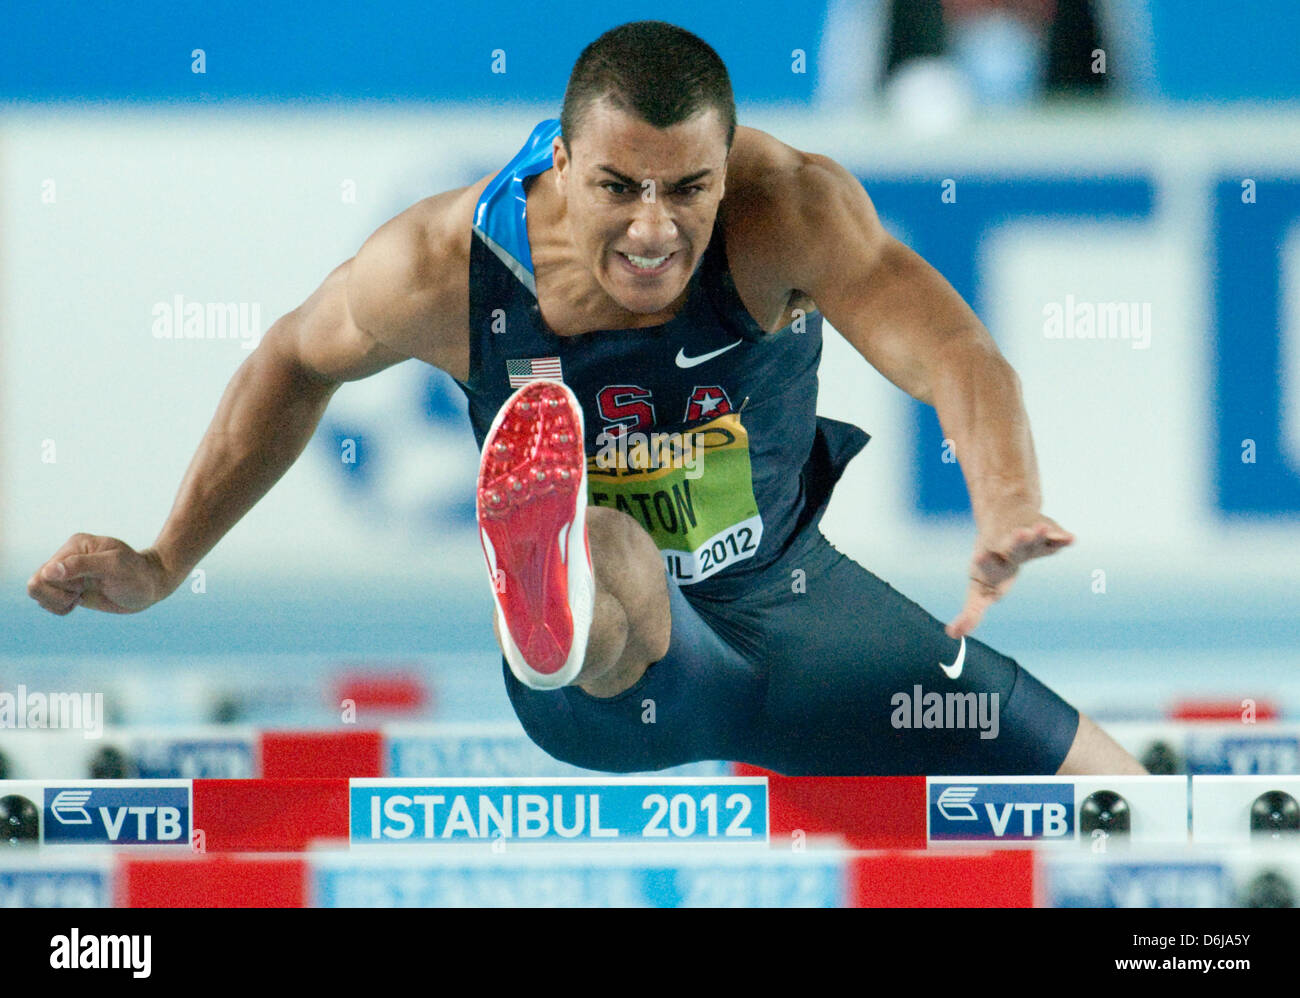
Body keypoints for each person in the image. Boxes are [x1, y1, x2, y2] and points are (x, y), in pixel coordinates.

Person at [28, 21, 1144, 776]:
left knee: (1116, 787)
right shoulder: (440, 265)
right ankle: (545, 584)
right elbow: (292, 360)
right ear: (561, 161)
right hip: (616, 673)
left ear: (727, 167)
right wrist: (165, 557)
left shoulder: (790, 210)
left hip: (802, 615)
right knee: (611, 550)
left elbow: (954, 349)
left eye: (688, 189)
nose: (654, 229)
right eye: (616, 188)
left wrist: (1006, 501)